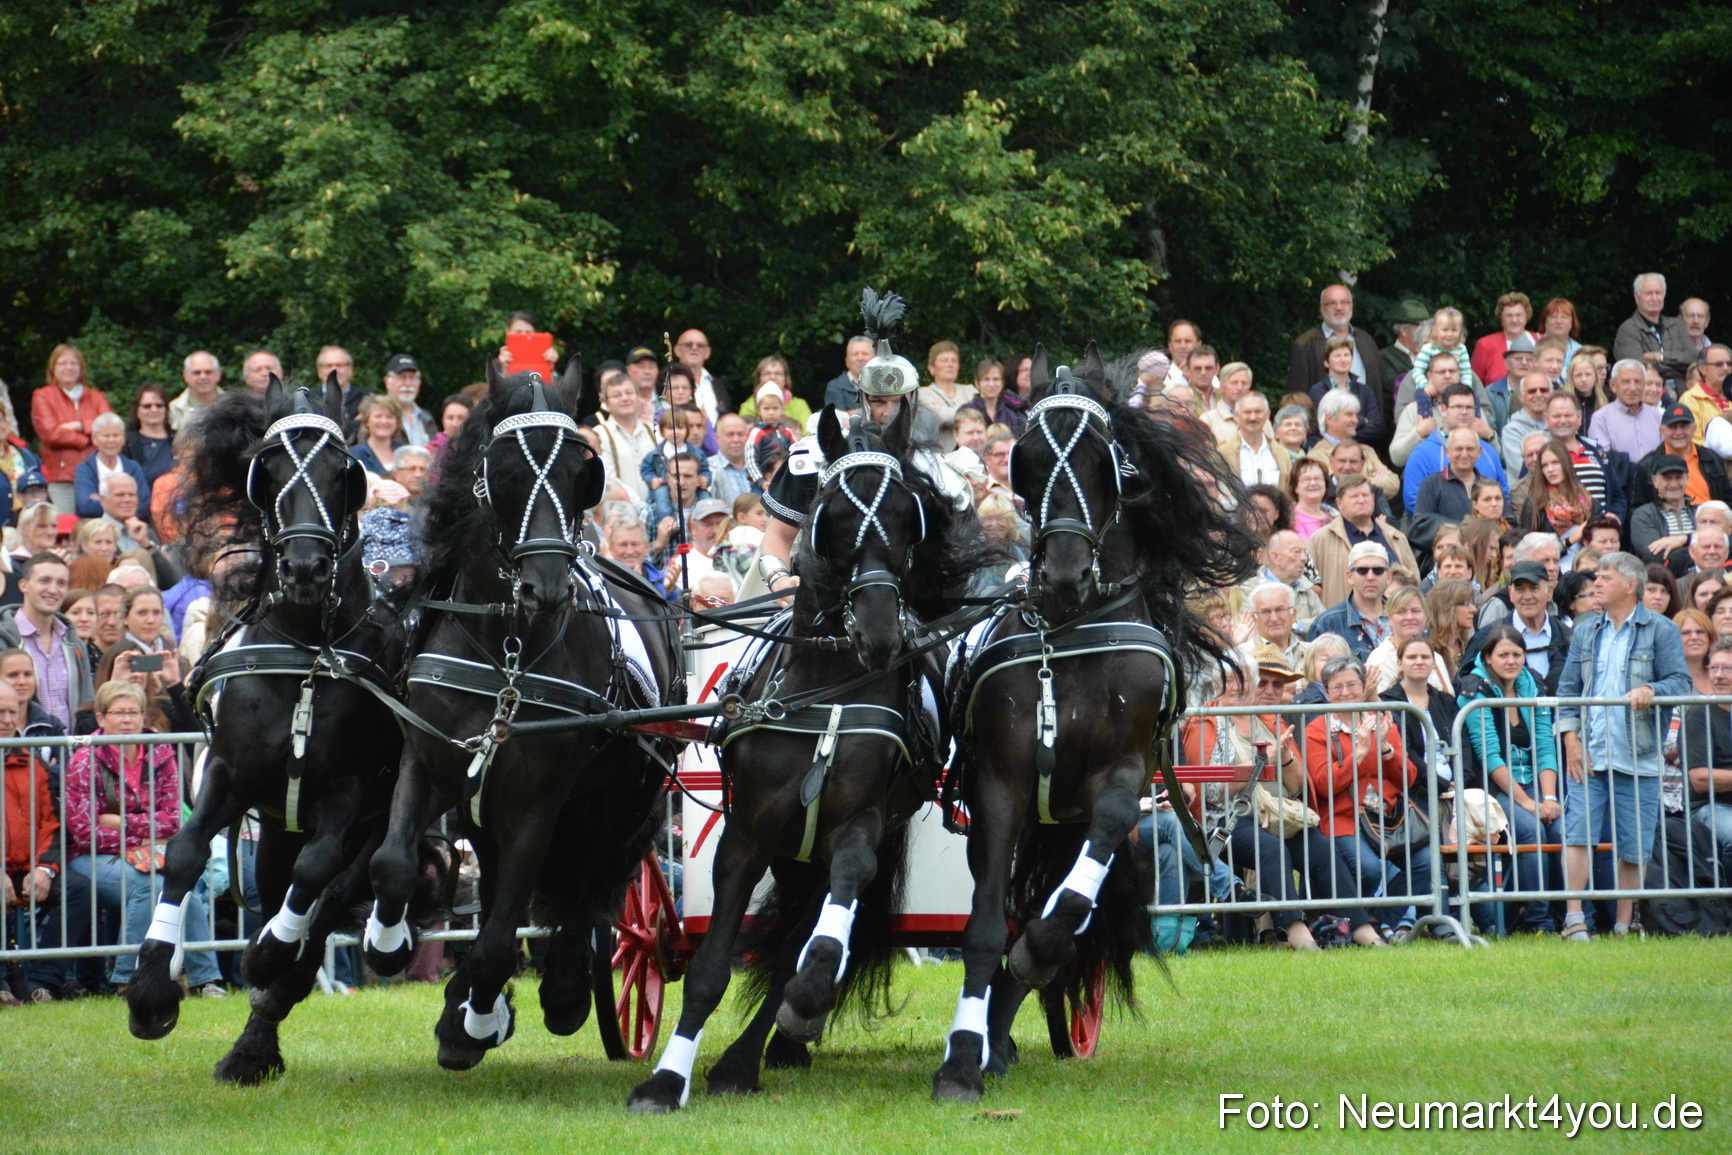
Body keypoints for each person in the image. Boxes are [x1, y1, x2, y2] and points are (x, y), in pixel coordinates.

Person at [1556, 551, 1693, 939]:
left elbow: (1680, 683)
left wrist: (1653, 688)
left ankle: (1623, 925)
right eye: (1595, 577)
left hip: (1640, 754)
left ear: (1629, 585)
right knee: (1579, 834)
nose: (1595, 583)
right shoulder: (1585, 629)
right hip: (1590, 752)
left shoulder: (1662, 631)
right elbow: (1568, 690)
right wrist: (1570, 738)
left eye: (1604, 577)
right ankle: (1574, 920)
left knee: (1633, 844)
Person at [60, 680, 226, 995]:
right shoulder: (84, 760)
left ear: (143, 716)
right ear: (100, 718)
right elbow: (84, 830)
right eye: (118, 713)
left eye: (133, 712)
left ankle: (206, 980)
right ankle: (127, 978)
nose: (127, 720)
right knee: (147, 886)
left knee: (182, 887)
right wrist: (137, 843)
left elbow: (173, 819)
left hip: (147, 852)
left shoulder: (161, 753)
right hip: (88, 858)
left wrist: (122, 822)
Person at [1304, 655, 1432, 941]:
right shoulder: (1316, 729)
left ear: (1364, 686)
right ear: (1326, 691)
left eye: (1352, 685)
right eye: (1337, 688)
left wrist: (1386, 749)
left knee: (1426, 862)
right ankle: (1355, 923)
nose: (1346, 693)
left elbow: (1408, 779)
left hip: (1387, 818)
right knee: (1369, 869)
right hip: (1344, 818)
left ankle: (1375, 920)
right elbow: (1324, 785)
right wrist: (1358, 754)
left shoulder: (1382, 720)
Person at [1455, 623, 1561, 934]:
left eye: (1517, 654)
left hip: (1536, 784)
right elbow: (1490, 758)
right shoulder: (1474, 690)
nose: (1511, 660)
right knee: (1531, 831)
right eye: (1503, 654)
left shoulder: (1534, 685)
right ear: (1488, 657)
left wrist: (1550, 798)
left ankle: (1571, 915)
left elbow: (1544, 746)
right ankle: (1537, 921)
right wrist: (1529, 803)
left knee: (1564, 830)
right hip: (1495, 789)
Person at [0, 681, 86, 1003]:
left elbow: (52, 822)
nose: (8, 720)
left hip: (26, 866)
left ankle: (44, 982)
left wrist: (44, 869)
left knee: (79, 890)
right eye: (0, 712)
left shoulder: (33, 763)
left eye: (13, 711)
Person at [0, 554, 93, 728]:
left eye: (61, 583)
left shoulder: (74, 643)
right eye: (44, 581)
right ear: (24, 585)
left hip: (69, 752)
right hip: (17, 751)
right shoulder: (3, 639)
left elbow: (86, 703)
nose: (53, 590)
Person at [1307, 474, 1418, 608]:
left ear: (1373, 499)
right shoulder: (1320, 540)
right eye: (1354, 496)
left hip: (1392, 622)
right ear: (1339, 503)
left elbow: (1414, 583)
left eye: (1365, 495)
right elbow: (1308, 588)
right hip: (1341, 624)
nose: (1361, 500)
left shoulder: (1396, 537)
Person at [30, 344, 114, 514]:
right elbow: (50, 434)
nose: (68, 367)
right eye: (62, 363)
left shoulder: (96, 396)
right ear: (53, 368)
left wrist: (79, 425)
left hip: (96, 476)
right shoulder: (43, 395)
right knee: (65, 529)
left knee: (96, 530)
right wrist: (88, 438)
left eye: (74, 363)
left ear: (81, 368)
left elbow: (109, 426)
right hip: (62, 478)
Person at [1399, 384, 1508, 514]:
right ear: (1443, 410)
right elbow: (1415, 505)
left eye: (1469, 407)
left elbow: (1504, 496)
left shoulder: (1488, 452)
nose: (1464, 412)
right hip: (1443, 532)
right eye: (1458, 407)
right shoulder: (1422, 454)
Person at [1287, 283, 1386, 408]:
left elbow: (1382, 389)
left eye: (1344, 302)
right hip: (1324, 423)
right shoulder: (1305, 344)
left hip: (1367, 423)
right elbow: (1297, 396)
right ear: (1321, 309)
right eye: (1331, 303)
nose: (1339, 308)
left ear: (1351, 306)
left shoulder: (1366, 340)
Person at [1680, 638, 1732, 860]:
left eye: (1727, 669)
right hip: (1709, 807)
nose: (1718, 675)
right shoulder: (1699, 713)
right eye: (1714, 668)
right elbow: (1699, 779)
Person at [1542, 391, 1627, 523]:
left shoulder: (1597, 451)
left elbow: (1617, 495)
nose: (1563, 420)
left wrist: (1616, 517)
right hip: (1564, 535)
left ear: (1579, 417)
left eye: (1568, 415)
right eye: (1557, 416)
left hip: (1601, 534)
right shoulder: (1541, 454)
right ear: (1546, 419)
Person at [1413, 427, 1497, 551]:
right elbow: (1420, 527)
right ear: (1448, 452)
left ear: (1479, 452)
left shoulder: (1489, 486)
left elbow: (1505, 521)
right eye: (1458, 449)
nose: (1464, 454)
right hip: (1446, 561)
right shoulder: (1431, 484)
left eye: (1470, 449)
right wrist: (1463, 530)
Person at [1307, 541, 1392, 660]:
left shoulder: (1406, 618)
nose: (1370, 577)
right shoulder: (1326, 624)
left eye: (1378, 570)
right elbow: (1312, 673)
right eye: (1362, 570)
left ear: (1389, 577)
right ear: (1349, 576)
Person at [1612, 272, 1698, 385]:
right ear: (1637, 297)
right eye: (1649, 293)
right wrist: (1678, 368)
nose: (1654, 298)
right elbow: (1637, 368)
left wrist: (1659, 356)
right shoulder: (1628, 330)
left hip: (1682, 393)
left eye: (1658, 293)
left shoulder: (1676, 325)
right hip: (1647, 393)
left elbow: (1694, 358)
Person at [1363, 585, 1448, 695]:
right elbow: (1381, 707)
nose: (1409, 617)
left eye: (1415, 611)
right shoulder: (1381, 660)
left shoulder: (1436, 657)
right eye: (1401, 612)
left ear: (1426, 615)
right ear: (1389, 617)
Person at [1522, 439, 1599, 553]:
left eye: (1555, 462)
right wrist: (1570, 540)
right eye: (1544, 465)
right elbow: (1529, 551)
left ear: (1566, 463)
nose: (1550, 469)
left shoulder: (1590, 502)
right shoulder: (1534, 504)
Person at [72, 413, 151, 522]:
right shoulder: (84, 469)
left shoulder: (133, 467)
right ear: (94, 439)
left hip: (130, 528)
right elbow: (87, 507)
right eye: (106, 436)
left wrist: (103, 500)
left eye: (116, 435)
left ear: (123, 438)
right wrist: (127, 506)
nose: (111, 440)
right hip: (95, 530)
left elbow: (144, 506)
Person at [1631, 453, 1699, 576]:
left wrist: (1684, 539)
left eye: (1678, 477)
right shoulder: (1643, 515)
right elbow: (1657, 557)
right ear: (1655, 481)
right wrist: (1701, 549)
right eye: (1667, 478)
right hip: (1664, 584)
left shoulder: (1700, 512)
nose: (1673, 484)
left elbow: (1724, 542)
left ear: (1687, 479)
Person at [1242, 528, 1324, 628]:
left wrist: (1298, 625)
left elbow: (1324, 627)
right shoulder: (1248, 591)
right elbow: (1252, 632)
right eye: (1296, 552)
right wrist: (1302, 625)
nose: (1304, 558)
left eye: (1305, 552)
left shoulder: (1307, 592)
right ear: (1276, 557)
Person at [593, 372, 656, 503]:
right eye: (617, 395)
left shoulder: (655, 431)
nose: (625, 398)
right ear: (606, 403)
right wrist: (641, 507)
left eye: (629, 392)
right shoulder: (600, 435)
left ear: (638, 397)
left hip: (661, 511)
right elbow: (608, 479)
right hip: (622, 513)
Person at [1308, 335, 1382, 443]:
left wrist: (1341, 430)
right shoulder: (1318, 391)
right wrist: (1362, 420)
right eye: (1337, 356)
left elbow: (1375, 428)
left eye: (1346, 355)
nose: (1343, 360)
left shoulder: (1365, 391)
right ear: (1326, 362)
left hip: (1361, 450)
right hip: (1329, 451)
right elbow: (1321, 426)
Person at [1588, 358, 1665, 461]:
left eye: (1637, 382)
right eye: (1626, 382)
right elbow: (1603, 460)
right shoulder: (1601, 419)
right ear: (1613, 386)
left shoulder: (1657, 416)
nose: (1633, 388)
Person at [1471, 293, 1540, 395]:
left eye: (1518, 315)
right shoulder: (1485, 345)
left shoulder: (1541, 341)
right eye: (1509, 316)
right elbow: (1475, 385)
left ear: (1527, 317)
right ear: (1501, 319)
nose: (1514, 320)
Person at [1217, 390, 1289, 488]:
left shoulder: (1282, 454)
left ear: (1267, 415)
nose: (1253, 417)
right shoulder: (1223, 453)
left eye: (1258, 411)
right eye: (1247, 412)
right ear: (1237, 415)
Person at [916, 340, 975, 451]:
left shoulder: (970, 390)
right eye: (944, 361)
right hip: (942, 456)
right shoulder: (922, 394)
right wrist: (971, 411)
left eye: (954, 361)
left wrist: (945, 409)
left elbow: (983, 415)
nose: (950, 364)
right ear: (931, 368)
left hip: (973, 456)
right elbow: (938, 417)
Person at [122, 385, 176, 493]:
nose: (154, 409)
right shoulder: (126, 442)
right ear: (137, 410)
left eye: (159, 405)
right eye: (147, 406)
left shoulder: (179, 438)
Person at [1499, 372, 1554, 475]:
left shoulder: (1560, 424)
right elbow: (1521, 471)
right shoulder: (1511, 430)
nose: (1538, 395)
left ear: (1552, 393)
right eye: (1532, 391)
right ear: (1521, 397)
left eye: (1543, 390)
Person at [960, 357, 1026, 438]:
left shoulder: (1010, 415)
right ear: (977, 383)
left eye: (996, 379)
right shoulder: (966, 411)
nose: (991, 384)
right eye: (986, 380)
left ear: (1002, 383)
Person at [673, 329, 728, 421]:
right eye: (688, 344)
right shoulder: (667, 382)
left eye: (700, 345)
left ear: (707, 353)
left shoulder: (717, 384)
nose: (694, 348)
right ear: (677, 350)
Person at [382, 354, 435, 447]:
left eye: (412, 377)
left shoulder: (426, 418)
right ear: (387, 382)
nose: (408, 383)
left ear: (419, 382)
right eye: (401, 377)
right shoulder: (377, 417)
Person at [347, 395, 405, 477]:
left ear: (397, 422)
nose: (384, 421)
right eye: (378, 416)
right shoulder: (353, 455)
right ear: (367, 421)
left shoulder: (406, 453)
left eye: (389, 417)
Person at [1682, 346, 1732, 441]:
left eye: (1729, 364)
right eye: (1719, 364)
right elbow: (1694, 442)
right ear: (1702, 369)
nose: (1725, 368)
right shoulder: (1690, 399)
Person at [166, 350, 225, 431]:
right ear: (186, 376)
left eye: (208, 372)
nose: (203, 377)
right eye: (197, 373)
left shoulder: (236, 407)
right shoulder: (173, 410)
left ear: (218, 375)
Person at [1379, 299, 1429, 389]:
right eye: (1421, 329)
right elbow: (1399, 388)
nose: (1426, 334)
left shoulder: (1430, 355)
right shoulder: (1384, 357)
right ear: (1404, 330)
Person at [1285, 457, 1333, 543]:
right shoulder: (1287, 519)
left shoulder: (1335, 516)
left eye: (1318, 478)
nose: (1313, 483)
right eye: (1306, 479)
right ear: (1295, 487)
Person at [822, 336, 874, 414]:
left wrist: (849, 413)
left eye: (865, 354)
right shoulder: (834, 387)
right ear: (847, 361)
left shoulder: (885, 385)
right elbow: (837, 419)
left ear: (875, 359)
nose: (860, 358)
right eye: (855, 354)